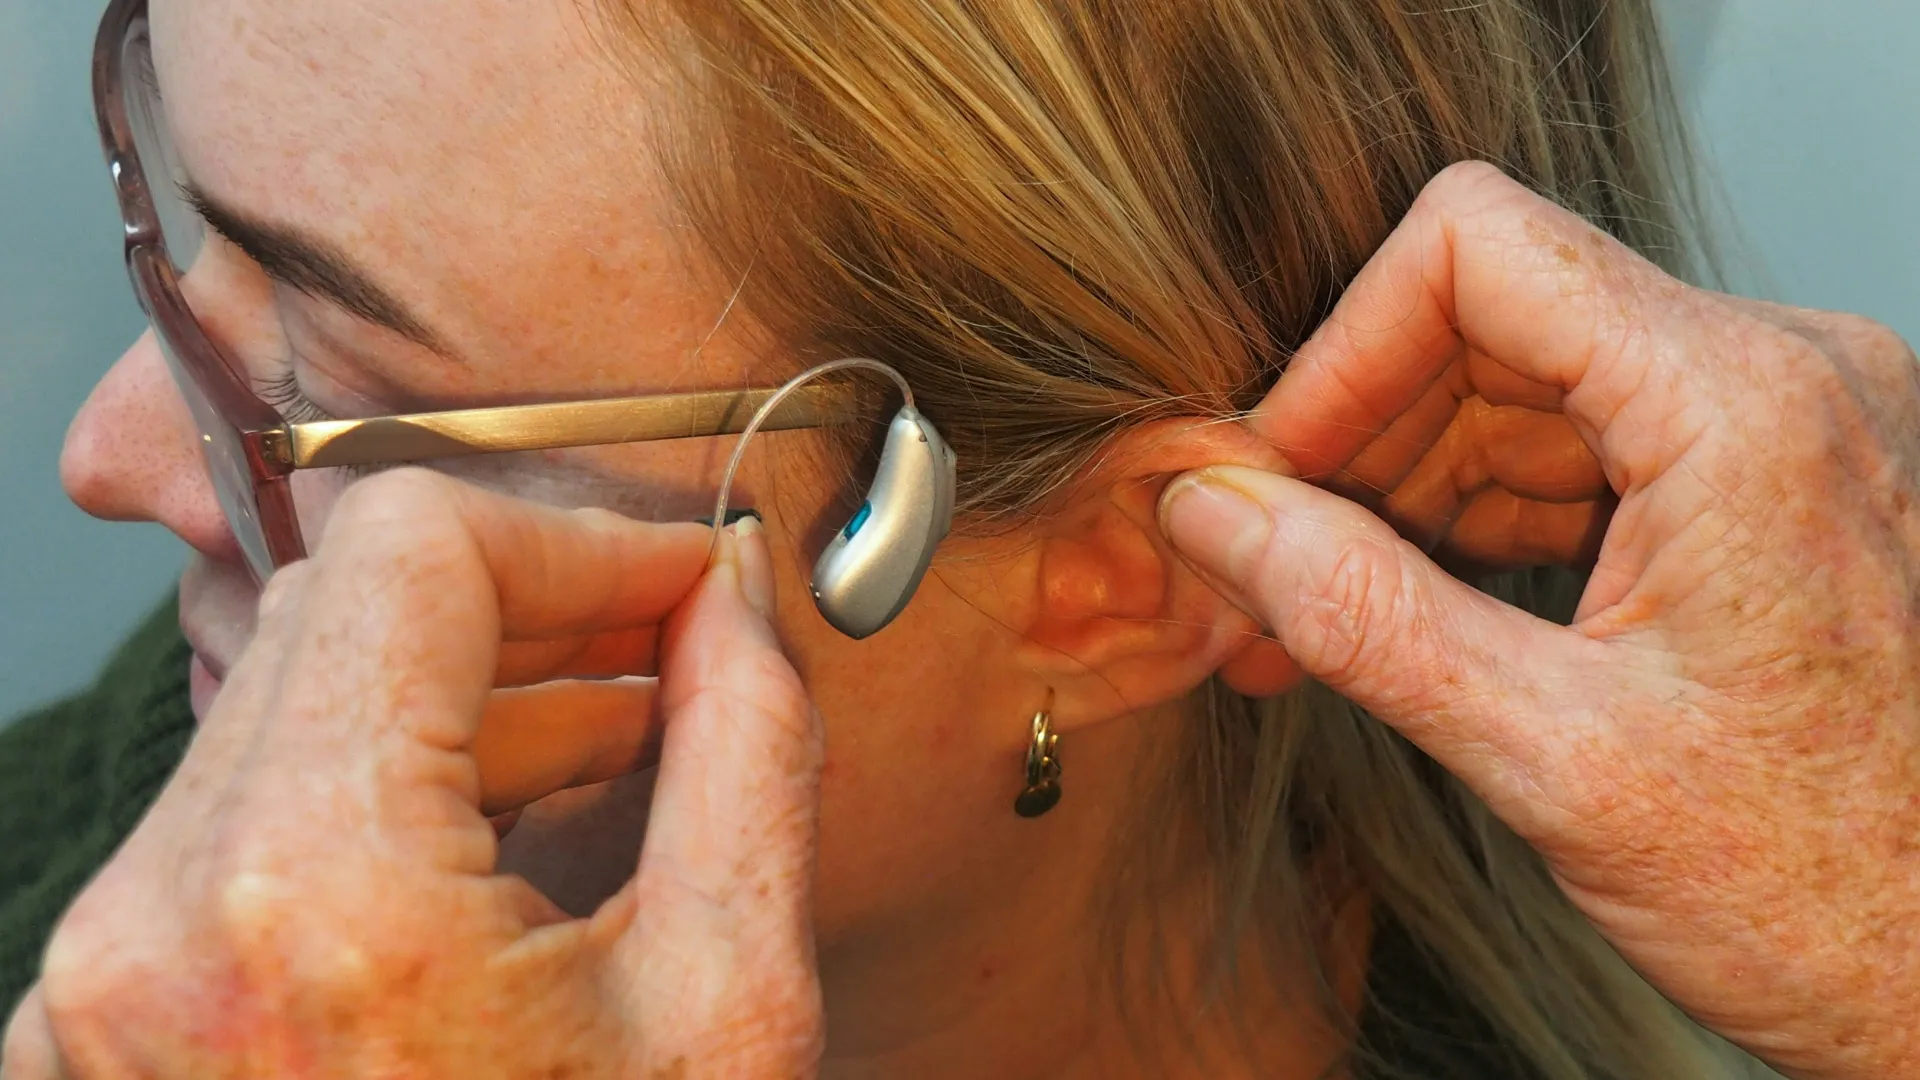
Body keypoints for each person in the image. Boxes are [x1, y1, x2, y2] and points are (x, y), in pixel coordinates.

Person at [2, 1, 1917, 1078]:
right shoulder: (124, 901)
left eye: (334, 384)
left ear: (1137, 561)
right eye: (173, 210)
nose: (102, 456)